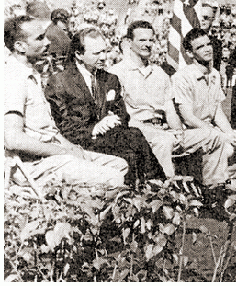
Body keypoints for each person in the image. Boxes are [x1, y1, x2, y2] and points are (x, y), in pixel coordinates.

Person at [4, 15, 128, 190]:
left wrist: (71, 148)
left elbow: (48, 130)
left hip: (53, 155)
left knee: (119, 165)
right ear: (20, 46)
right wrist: (62, 151)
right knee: (114, 178)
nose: (48, 42)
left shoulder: (30, 74)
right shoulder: (13, 78)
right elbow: (12, 139)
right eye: (40, 38)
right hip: (34, 165)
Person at [110, 21, 233, 188]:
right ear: (129, 42)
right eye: (142, 40)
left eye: (151, 40)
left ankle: (213, 189)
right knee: (164, 141)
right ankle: (165, 193)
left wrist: (178, 131)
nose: (147, 45)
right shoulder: (116, 73)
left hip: (165, 129)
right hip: (137, 131)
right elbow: (122, 116)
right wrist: (160, 132)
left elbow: (170, 110)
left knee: (214, 136)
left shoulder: (159, 73)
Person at [44, 27, 165, 186]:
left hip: (110, 139)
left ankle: (152, 187)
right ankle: (158, 185)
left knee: (132, 141)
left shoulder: (109, 79)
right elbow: (63, 126)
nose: (103, 58)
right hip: (81, 143)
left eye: (105, 51)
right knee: (132, 143)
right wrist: (95, 129)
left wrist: (112, 120)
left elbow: (123, 115)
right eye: (96, 53)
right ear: (79, 55)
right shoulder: (60, 82)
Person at [172, 28, 236, 186]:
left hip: (210, 129)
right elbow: (188, 117)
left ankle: (227, 178)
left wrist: (229, 132)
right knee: (222, 142)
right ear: (190, 53)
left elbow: (217, 111)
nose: (207, 49)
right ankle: (212, 188)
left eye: (208, 44)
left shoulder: (214, 74)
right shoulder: (182, 77)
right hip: (191, 133)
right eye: (200, 47)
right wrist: (217, 133)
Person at [199, 3, 223, 72]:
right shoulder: (187, 41)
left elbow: (216, 69)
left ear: (212, 20)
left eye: (206, 18)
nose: (202, 20)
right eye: (200, 17)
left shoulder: (217, 44)